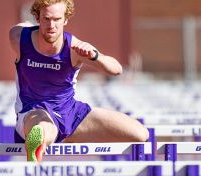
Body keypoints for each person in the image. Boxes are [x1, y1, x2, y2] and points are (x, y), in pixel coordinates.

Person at [9, 0, 149, 162]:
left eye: (57, 19)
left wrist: (94, 56)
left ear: (65, 20)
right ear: (38, 18)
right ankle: (37, 147)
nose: (51, 25)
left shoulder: (74, 48)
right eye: (46, 19)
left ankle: (61, 136)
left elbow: (116, 69)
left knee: (140, 134)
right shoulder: (19, 38)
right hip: (33, 111)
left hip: (69, 112)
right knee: (43, 127)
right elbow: (23, 26)